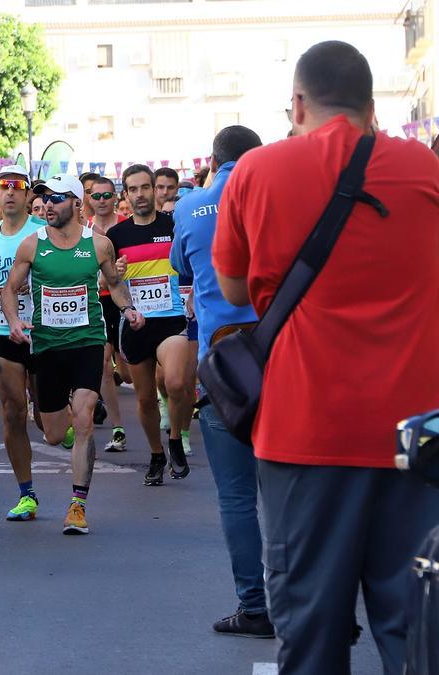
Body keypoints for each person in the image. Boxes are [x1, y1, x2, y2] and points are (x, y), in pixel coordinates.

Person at [215, 40, 439, 672]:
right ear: (373, 108)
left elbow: (235, 291)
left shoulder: (257, 171)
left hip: (304, 434)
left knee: (310, 632)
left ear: (296, 103)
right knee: (417, 631)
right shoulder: (424, 168)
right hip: (415, 440)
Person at [170, 124, 272, 637]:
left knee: (235, 497)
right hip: (283, 364)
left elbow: (182, 270)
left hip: (224, 369)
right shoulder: (280, 202)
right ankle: (307, 602)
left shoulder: (189, 209)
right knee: (292, 495)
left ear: (213, 161)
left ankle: (253, 606)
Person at [2, 173, 141, 534]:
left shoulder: (99, 245)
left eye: (58, 198)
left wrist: (127, 309)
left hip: (87, 341)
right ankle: (58, 416)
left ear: (77, 203)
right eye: (45, 198)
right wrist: (15, 320)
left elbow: (114, 283)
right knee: (52, 433)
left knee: (84, 418)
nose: (48, 204)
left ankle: (77, 505)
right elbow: (10, 289)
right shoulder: (32, 245)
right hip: (47, 345)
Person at [108, 164, 192, 486]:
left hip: (171, 319)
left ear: (155, 189)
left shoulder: (174, 226)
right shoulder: (116, 236)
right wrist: (115, 276)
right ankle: (157, 454)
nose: (141, 194)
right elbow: (108, 282)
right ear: (126, 195)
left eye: (146, 187)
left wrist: (194, 292)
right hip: (137, 322)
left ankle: (174, 438)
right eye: (134, 189)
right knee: (144, 399)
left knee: (175, 383)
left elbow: (193, 264)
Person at [0, 167, 44, 520]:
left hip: (45, 330)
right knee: (13, 411)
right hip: (2, 330)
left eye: (17, 188)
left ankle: (53, 414)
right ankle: (27, 493)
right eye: (3, 188)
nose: (9, 193)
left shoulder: (42, 233)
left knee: (49, 428)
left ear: (27, 195)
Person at [85, 177, 128, 452]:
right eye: (95, 196)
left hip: (124, 300)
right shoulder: (83, 229)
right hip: (97, 302)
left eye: (106, 196)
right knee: (102, 363)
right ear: (89, 199)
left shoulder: (126, 224)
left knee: (128, 370)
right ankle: (118, 428)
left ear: (115, 197)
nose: (100, 201)